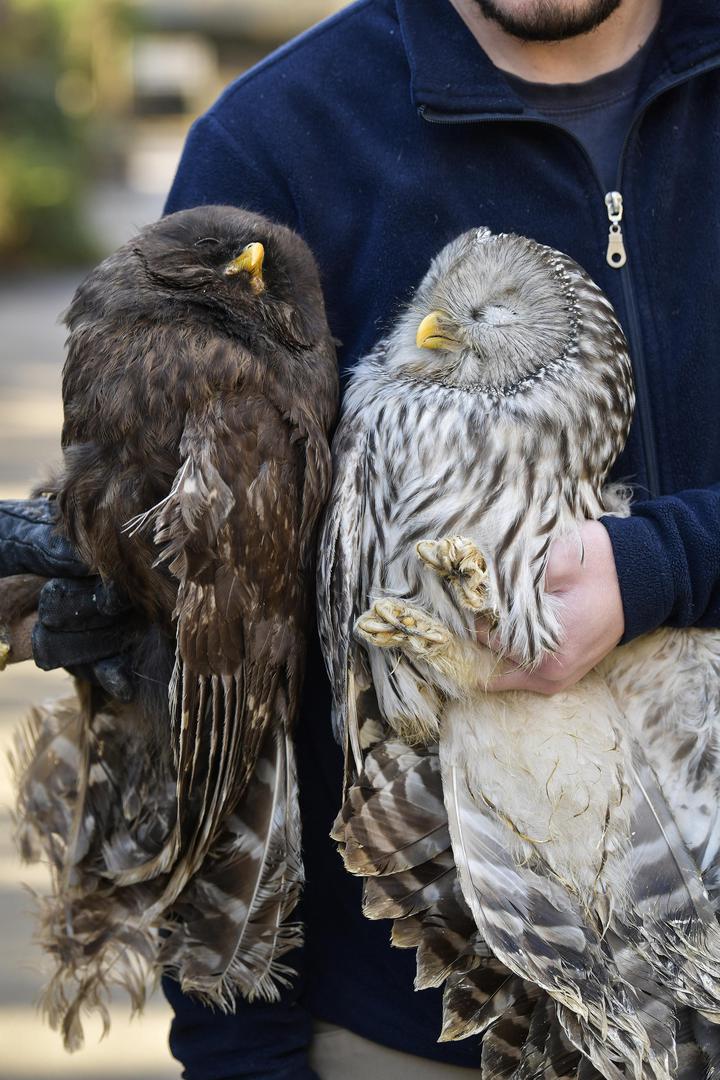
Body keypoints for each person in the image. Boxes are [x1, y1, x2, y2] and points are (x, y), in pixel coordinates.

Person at [3, 0, 720, 1075]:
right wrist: (244, 1046)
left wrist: (668, 563)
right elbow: (200, 695)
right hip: (415, 1010)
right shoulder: (281, 145)